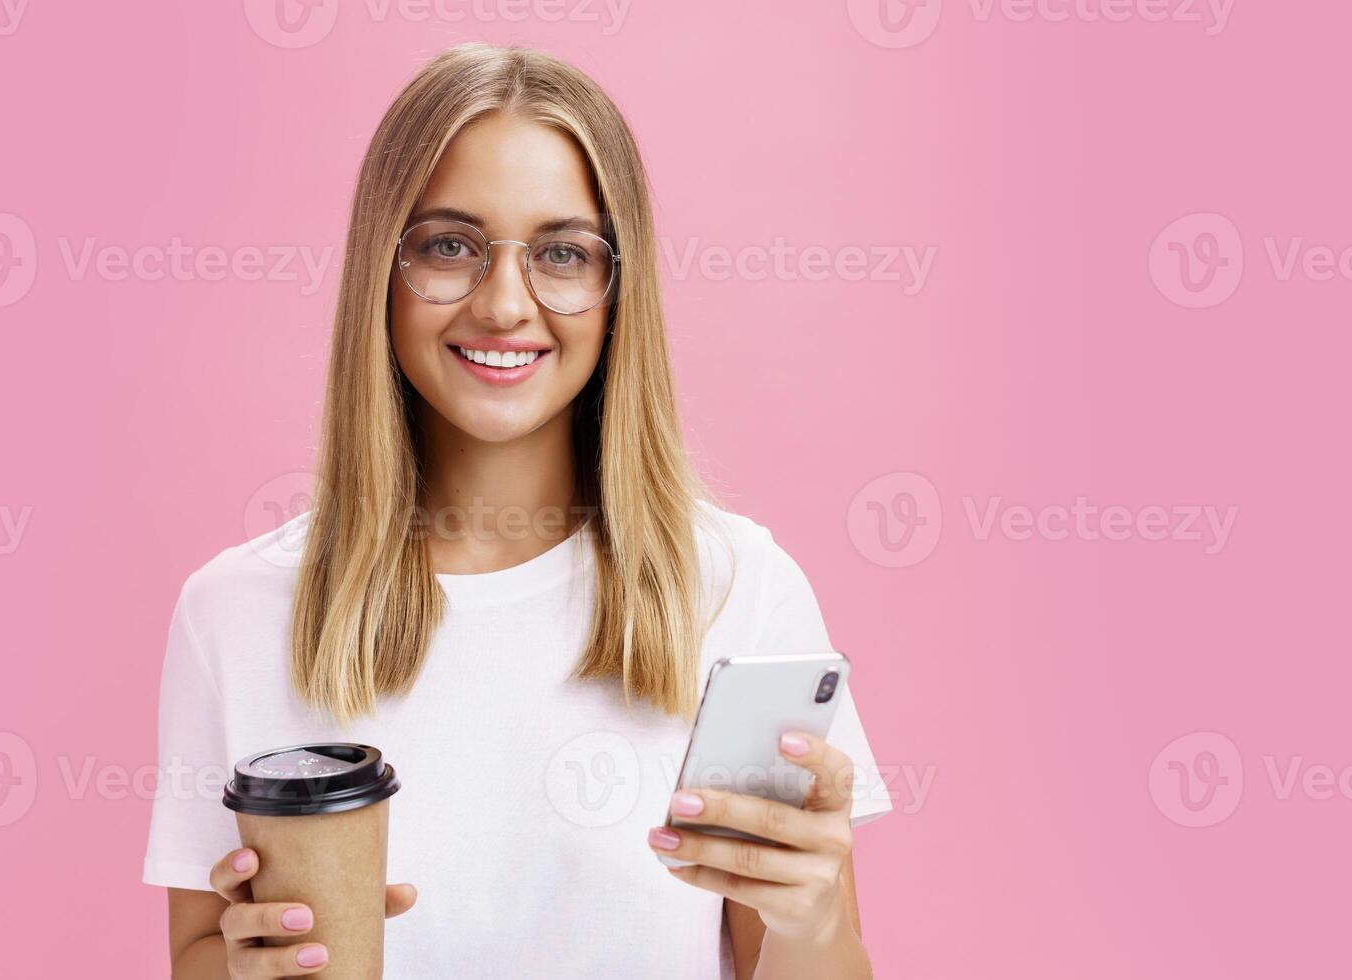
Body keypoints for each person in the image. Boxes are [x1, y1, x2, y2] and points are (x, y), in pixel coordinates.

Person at [146, 43, 891, 979]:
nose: (505, 304)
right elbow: (201, 958)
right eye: (450, 245)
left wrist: (815, 921)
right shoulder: (235, 611)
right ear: (384, 268)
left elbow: (799, 960)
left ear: (619, 293)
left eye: (562, 254)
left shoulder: (738, 591)